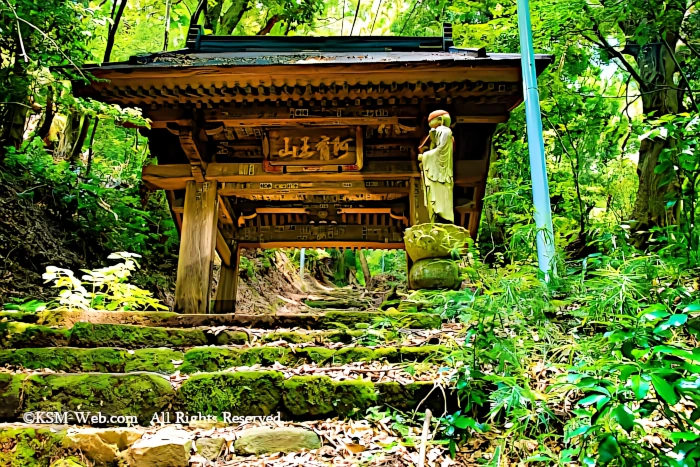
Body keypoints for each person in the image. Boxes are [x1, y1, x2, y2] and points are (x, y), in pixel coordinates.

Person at [418, 110, 454, 223]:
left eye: (431, 119)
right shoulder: (437, 131)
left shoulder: (444, 131)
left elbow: (442, 150)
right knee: (433, 196)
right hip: (436, 170)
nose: (429, 122)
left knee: (440, 195)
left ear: (440, 119)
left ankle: (442, 217)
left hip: (439, 171)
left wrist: (424, 156)